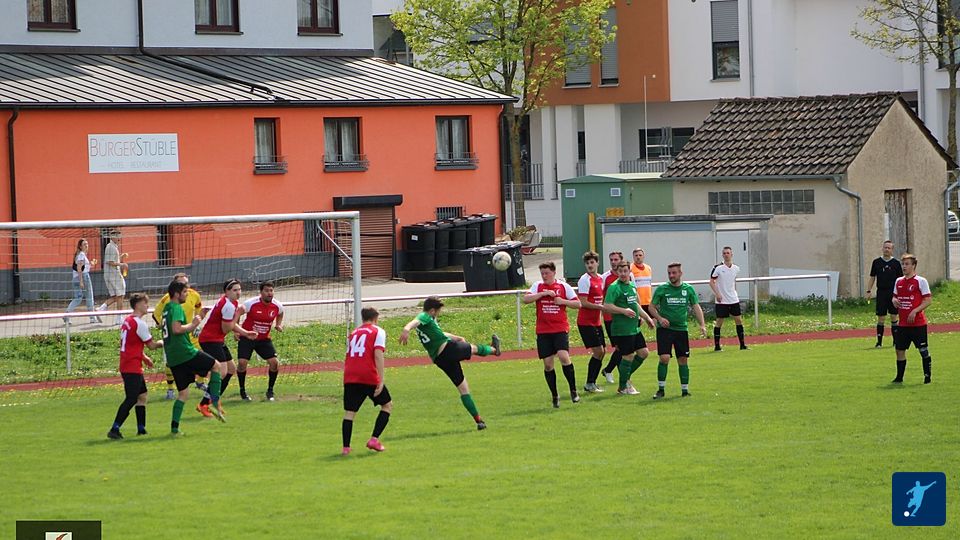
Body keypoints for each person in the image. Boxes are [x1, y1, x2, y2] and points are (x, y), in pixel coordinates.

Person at [399, 296, 498, 430]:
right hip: (447, 350)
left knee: (463, 388)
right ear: (432, 310)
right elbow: (414, 322)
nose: (438, 314)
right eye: (438, 311)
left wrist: (456, 337)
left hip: (440, 359)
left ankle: (479, 421)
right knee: (474, 349)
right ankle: (494, 349)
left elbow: (439, 333)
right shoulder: (424, 316)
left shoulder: (428, 322)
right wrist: (406, 329)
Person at [162, 280, 225, 433]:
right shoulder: (176, 307)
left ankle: (174, 429)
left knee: (183, 394)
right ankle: (213, 402)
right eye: (184, 292)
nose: (186, 295)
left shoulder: (166, 308)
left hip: (173, 357)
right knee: (216, 366)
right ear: (176, 294)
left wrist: (198, 318)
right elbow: (177, 329)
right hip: (185, 352)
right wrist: (195, 323)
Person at [523, 261, 582, 408]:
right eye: (542, 273)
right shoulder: (538, 286)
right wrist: (542, 294)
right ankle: (555, 395)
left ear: (554, 273)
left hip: (560, 328)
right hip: (543, 330)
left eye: (547, 273)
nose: (544, 276)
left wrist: (562, 301)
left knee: (563, 357)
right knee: (548, 365)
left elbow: (578, 304)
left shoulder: (563, 286)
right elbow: (526, 299)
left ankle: (573, 390)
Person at [196, 279, 257, 416]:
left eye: (239, 289)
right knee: (221, 372)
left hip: (216, 340)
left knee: (231, 369)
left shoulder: (230, 302)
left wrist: (245, 333)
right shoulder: (228, 306)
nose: (238, 292)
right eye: (235, 290)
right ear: (227, 291)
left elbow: (229, 325)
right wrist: (238, 317)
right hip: (210, 340)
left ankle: (213, 401)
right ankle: (204, 404)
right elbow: (226, 328)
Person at [107, 293, 164, 439]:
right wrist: (164, 342)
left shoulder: (128, 321)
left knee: (142, 395)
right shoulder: (139, 324)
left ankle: (141, 429)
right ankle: (114, 429)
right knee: (131, 398)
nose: (147, 306)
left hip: (128, 363)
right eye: (145, 303)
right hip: (131, 366)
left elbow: (131, 344)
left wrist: (144, 358)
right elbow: (151, 345)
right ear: (138, 304)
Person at [648, 262, 707, 399]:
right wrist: (660, 318)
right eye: (669, 273)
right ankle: (661, 390)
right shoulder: (662, 289)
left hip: (681, 329)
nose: (671, 275)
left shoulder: (688, 289)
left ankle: (685, 391)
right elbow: (651, 307)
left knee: (683, 359)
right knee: (664, 358)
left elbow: (696, 307)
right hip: (665, 330)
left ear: (680, 273)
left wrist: (702, 324)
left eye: (674, 273)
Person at [342, 307, 393, 455]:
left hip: (350, 375)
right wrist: (381, 380)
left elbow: (348, 355)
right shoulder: (378, 331)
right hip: (368, 375)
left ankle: (346, 448)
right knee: (387, 405)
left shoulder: (353, 333)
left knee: (350, 412)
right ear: (376, 318)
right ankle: (374, 440)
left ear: (363, 318)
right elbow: (378, 355)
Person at [603, 261, 656, 395]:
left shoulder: (632, 285)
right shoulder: (614, 287)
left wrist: (647, 318)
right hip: (622, 329)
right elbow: (607, 306)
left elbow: (635, 305)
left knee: (644, 353)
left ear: (629, 272)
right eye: (620, 271)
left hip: (634, 328)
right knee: (628, 356)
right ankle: (623, 387)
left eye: (625, 271)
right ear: (617, 272)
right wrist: (623, 311)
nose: (622, 274)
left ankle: (625, 378)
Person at [153, 273, 207, 400]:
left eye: (186, 283)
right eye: (182, 284)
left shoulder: (194, 295)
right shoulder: (169, 300)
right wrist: (163, 325)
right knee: (172, 363)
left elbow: (199, 308)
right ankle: (171, 389)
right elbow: (156, 314)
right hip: (176, 337)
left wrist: (196, 325)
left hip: (190, 334)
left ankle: (200, 382)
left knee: (202, 357)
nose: (186, 286)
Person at [235, 281, 285, 401]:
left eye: (271, 290)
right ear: (261, 292)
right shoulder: (251, 303)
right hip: (248, 337)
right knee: (242, 363)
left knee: (274, 363)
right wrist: (237, 330)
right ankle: (242, 391)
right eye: (266, 291)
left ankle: (270, 391)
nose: (269, 293)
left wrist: (278, 324)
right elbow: (238, 312)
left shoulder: (277, 305)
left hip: (263, 340)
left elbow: (281, 313)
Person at [891, 254, 933, 384]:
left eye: (907, 264)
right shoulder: (898, 281)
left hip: (918, 324)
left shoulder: (921, 281)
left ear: (913, 265)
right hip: (903, 324)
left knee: (923, 350)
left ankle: (927, 377)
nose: (904, 266)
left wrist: (915, 311)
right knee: (899, 350)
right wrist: (894, 300)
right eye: (903, 264)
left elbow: (928, 300)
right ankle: (899, 378)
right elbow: (894, 296)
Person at [577, 251, 607, 393]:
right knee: (598, 351)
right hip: (585, 322)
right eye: (587, 263)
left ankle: (592, 383)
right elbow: (583, 302)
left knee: (602, 352)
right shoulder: (584, 280)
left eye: (592, 262)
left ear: (597, 263)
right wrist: (600, 307)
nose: (590, 265)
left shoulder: (600, 279)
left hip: (596, 321)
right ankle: (589, 383)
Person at [709, 246, 748, 351]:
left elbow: (733, 282)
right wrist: (717, 294)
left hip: (733, 299)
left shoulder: (736, 268)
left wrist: (735, 293)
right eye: (724, 253)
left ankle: (742, 345)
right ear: (722, 255)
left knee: (738, 320)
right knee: (719, 321)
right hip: (722, 300)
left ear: (731, 254)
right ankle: (717, 346)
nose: (726, 255)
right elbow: (711, 282)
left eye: (728, 253)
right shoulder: (718, 268)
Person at [866, 240, 903, 348]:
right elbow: (872, 277)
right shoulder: (876, 262)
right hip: (881, 293)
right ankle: (879, 342)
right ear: (882, 248)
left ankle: (896, 341)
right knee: (881, 318)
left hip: (893, 293)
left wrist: (900, 293)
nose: (887, 249)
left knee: (894, 317)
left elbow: (900, 280)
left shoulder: (896, 263)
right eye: (885, 247)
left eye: (889, 248)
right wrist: (868, 290)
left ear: (892, 250)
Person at [600, 251, 625, 383]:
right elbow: (600, 296)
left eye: (616, 259)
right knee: (620, 347)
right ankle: (620, 376)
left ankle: (609, 370)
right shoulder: (605, 277)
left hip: (625, 317)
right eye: (611, 260)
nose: (613, 262)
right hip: (610, 318)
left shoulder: (628, 275)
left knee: (626, 346)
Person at [65, 238, 100, 324]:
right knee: (89, 297)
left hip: (76, 277)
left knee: (78, 298)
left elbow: (82, 267)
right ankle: (92, 318)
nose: (86, 246)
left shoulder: (80, 255)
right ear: (80, 246)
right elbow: (79, 268)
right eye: (84, 244)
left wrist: (90, 264)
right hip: (83, 277)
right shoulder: (81, 255)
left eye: (87, 244)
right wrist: (81, 281)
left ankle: (67, 315)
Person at [98, 229, 128, 326]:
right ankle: (119, 318)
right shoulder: (110, 247)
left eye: (119, 235)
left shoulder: (113, 247)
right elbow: (110, 262)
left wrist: (121, 257)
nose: (119, 238)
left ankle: (100, 309)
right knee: (121, 295)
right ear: (112, 237)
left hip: (111, 274)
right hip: (113, 274)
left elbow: (113, 260)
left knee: (115, 296)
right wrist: (122, 264)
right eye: (117, 236)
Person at [630, 247, 653, 313]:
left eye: (640, 255)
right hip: (637, 302)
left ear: (643, 256)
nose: (638, 257)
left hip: (648, 302)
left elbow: (649, 285)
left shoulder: (648, 268)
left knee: (652, 319)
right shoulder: (630, 268)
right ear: (633, 257)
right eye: (636, 255)